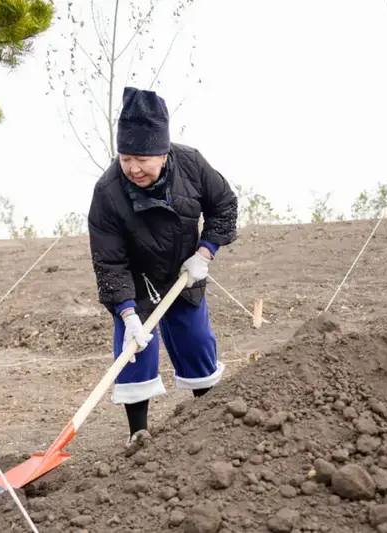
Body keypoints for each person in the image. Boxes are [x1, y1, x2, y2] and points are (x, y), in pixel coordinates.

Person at [87, 86, 238, 447]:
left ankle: (210, 421)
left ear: (163, 153)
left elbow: (225, 206)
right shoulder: (107, 192)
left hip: (185, 270)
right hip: (136, 283)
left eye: (142, 158)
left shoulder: (192, 164)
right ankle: (138, 434)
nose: (134, 168)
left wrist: (205, 253)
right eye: (126, 158)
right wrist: (127, 313)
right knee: (134, 351)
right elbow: (109, 260)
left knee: (196, 342)